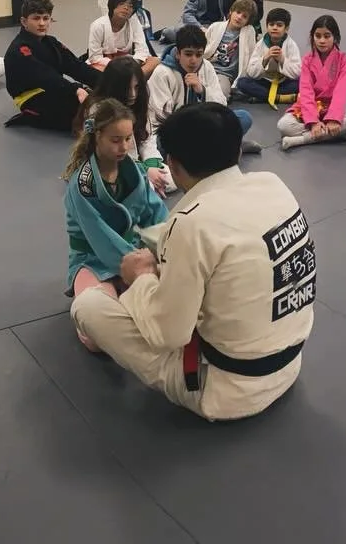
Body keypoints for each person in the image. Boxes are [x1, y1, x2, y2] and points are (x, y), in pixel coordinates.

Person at [70, 103, 315, 421]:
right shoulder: (274, 185)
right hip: (288, 365)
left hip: (225, 390)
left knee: (88, 306)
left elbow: (167, 335)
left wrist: (141, 278)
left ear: (172, 164)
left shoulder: (191, 223)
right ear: (238, 150)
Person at [62, 97, 168, 351]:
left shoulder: (134, 172)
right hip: (93, 259)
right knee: (97, 338)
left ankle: (125, 293)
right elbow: (101, 239)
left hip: (135, 251)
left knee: (178, 298)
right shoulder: (83, 186)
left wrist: (168, 247)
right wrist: (139, 270)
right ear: (97, 136)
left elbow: (157, 214)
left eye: (128, 139)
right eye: (116, 140)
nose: (124, 147)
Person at [150, 25, 261, 155]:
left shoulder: (206, 66)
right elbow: (160, 119)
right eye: (188, 54)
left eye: (199, 55)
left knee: (243, 117)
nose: (194, 60)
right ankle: (228, 147)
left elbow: (222, 104)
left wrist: (202, 90)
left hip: (203, 126)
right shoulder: (162, 73)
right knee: (161, 144)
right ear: (178, 54)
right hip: (176, 131)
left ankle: (216, 149)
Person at [4, 0, 101, 131]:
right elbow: (45, 76)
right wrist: (74, 89)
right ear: (24, 22)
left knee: (106, 96)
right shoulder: (19, 50)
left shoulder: (51, 43)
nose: (42, 23)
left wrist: (105, 82)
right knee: (78, 108)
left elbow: (75, 66)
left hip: (55, 89)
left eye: (46, 18)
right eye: (36, 18)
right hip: (31, 97)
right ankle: (31, 115)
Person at [84, 55, 174, 196]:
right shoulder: (99, 110)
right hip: (111, 165)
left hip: (138, 163)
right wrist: (145, 171)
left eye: (137, 87)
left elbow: (147, 138)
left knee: (171, 179)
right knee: (145, 187)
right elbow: (112, 152)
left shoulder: (139, 103)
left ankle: (150, 188)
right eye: (127, 88)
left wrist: (151, 165)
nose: (133, 94)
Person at [277, 15, 346, 150]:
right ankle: (336, 135)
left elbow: (341, 92)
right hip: (308, 108)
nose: (322, 41)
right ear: (312, 37)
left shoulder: (343, 60)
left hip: (330, 109)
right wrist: (313, 122)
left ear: (335, 37)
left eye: (327, 36)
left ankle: (300, 140)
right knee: (284, 125)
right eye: (318, 36)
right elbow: (306, 91)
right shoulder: (307, 60)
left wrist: (333, 119)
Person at [234, 8, 301, 106]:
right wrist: (265, 58)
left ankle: (262, 97)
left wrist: (282, 60)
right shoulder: (260, 44)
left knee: (301, 82)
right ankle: (279, 98)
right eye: (271, 24)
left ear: (286, 28)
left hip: (282, 82)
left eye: (279, 25)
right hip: (265, 82)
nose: (275, 28)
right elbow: (251, 72)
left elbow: (297, 72)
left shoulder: (291, 45)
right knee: (242, 83)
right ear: (267, 26)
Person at [87, 0, 157, 76]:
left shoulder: (134, 22)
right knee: (105, 72)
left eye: (130, 6)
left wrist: (134, 62)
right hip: (106, 64)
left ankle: (133, 79)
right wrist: (118, 66)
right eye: (121, 4)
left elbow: (142, 49)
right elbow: (94, 57)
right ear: (113, 5)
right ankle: (133, 79)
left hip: (128, 63)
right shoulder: (98, 25)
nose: (126, 8)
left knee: (155, 61)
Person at [204, 0, 259, 99]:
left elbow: (251, 55)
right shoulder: (215, 26)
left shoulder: (248, 32)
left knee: (220, 95)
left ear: (248, 22)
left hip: (224, 74)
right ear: (231, 11)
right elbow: (204, 49)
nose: (239, 17)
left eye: (244, 16)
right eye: (238, 12)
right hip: (206, 68)